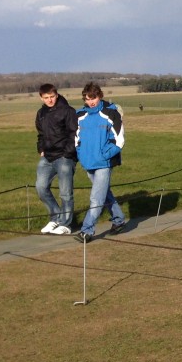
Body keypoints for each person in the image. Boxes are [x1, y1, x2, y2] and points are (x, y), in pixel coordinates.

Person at [74, 82, 126, 242]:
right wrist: (81, 154)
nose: (91, 102)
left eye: (93, 98)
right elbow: (76, 139)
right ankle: (119, 219)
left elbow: (119, 140)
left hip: (104, 163)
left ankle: (86, 230)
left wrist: (105, 155)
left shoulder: (111, 113)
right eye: (87, 99)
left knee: (96, 198)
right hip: (88, 162)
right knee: (104, 193)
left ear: (100, 96)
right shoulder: (80, 115)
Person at [35, 83, 78, 235]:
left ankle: (66, 224)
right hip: (47, 157)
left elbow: (74, 134)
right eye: (46, 98)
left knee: (65, 193)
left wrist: (67, 153)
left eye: (52, 97)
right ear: (41, 97)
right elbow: (40, 134)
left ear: (57, 95)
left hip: (65, 157)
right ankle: (55, 217)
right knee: (41, 188)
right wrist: (41, 149)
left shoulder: (68, 111)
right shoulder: (41, 113)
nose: (50, 100)